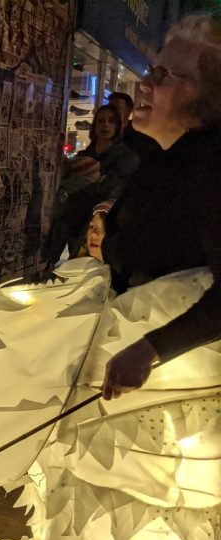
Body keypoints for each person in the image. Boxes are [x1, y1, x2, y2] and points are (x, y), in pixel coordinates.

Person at [101, 12, 221, 399]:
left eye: (163, 76)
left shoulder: (211, 164)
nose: (145, 84)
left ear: (210, 95)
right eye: (151, 70)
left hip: (176, 387)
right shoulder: (173, 161)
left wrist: (152, 350)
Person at [42, 104, 139, 267]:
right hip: (71, 219)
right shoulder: (84, 157)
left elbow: (111, 189)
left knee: (85, 270)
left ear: (118, 126)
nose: (106, 125)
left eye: (111, 121)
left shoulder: (126, 157)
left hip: (98, 222)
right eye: (101, 121)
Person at [106, 91, 162, 164]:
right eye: (109, 107)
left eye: (117, 108)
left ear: (129, 110)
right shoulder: (104, 131)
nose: (111, 111)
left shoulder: (140, 134)